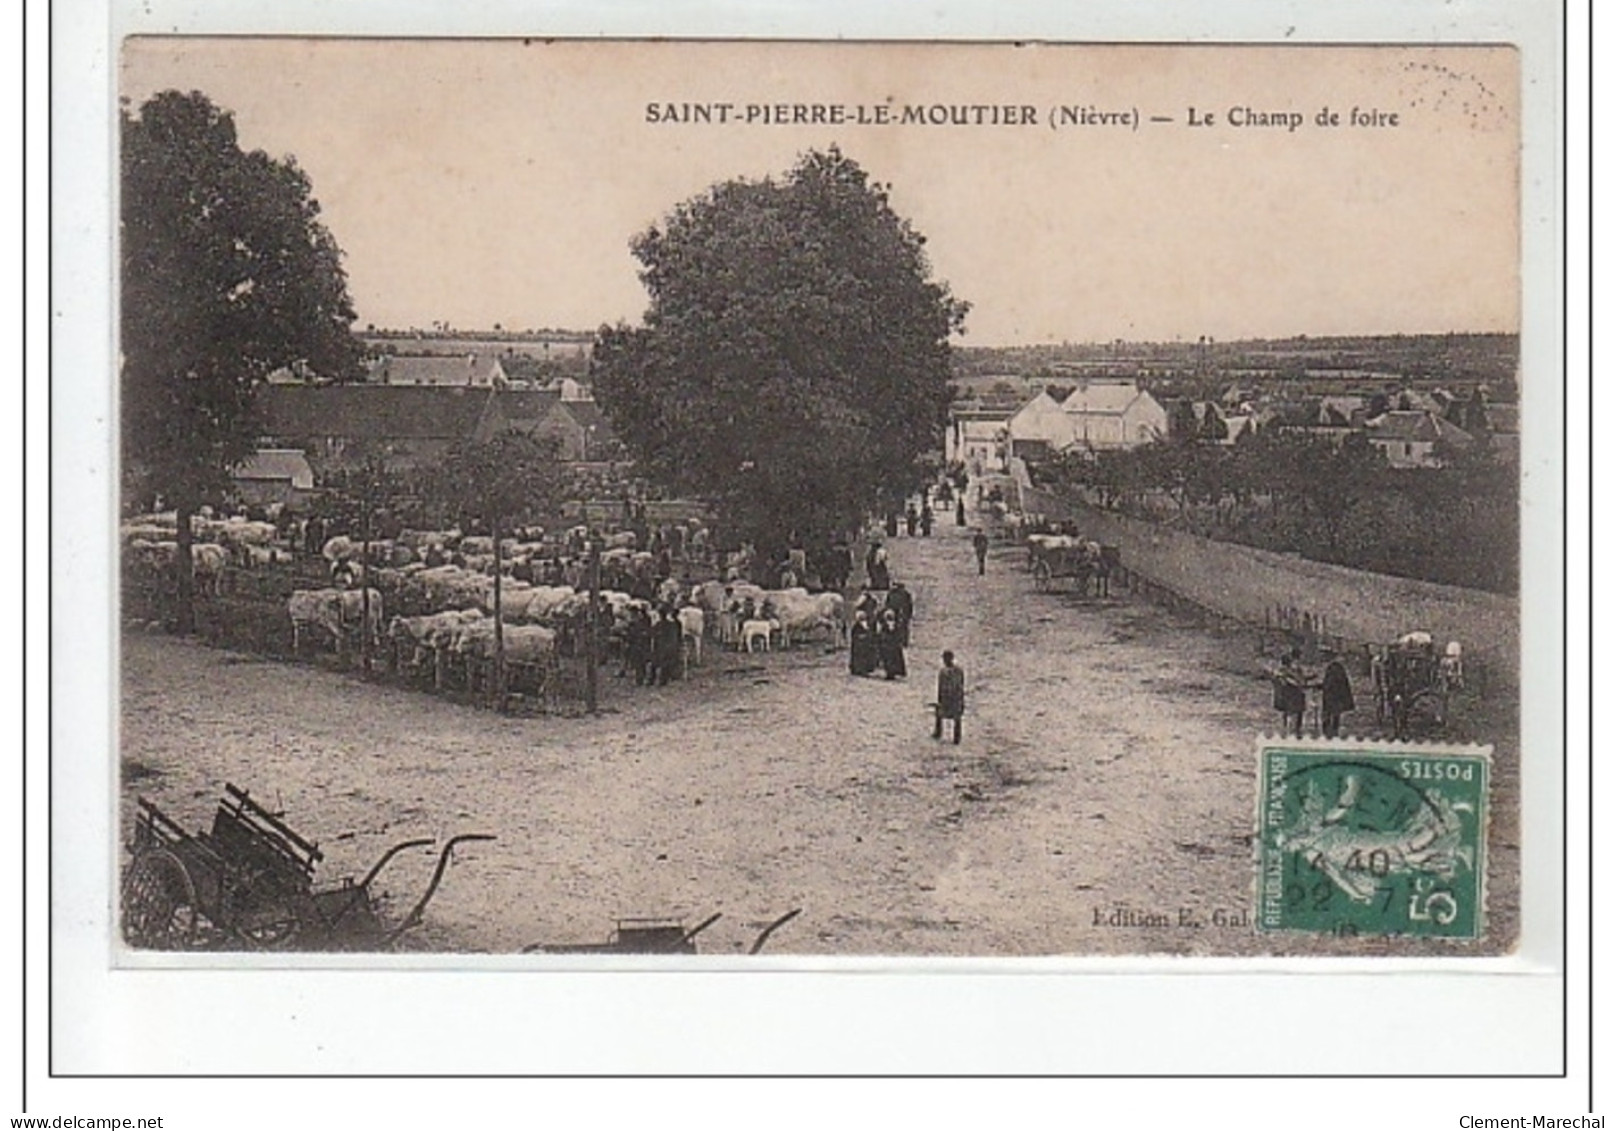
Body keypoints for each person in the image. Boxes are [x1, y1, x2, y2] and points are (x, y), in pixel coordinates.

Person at [1319, 649, 1356, 738]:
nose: (1322, 658)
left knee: (1329, 715)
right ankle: (1332, 732)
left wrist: (1320, 686)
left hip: (1333, 696)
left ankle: (1329, 734)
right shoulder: (1336, 666)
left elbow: (1330, 683)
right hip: (1335, 696)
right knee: (1335, 715)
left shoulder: (1333, 667)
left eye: (1324, 656)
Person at [1272, 649, 1308, 737]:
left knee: (1286, 715)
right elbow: (1297, 682)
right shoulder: (1286, 672)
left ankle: (1287, 730)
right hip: (1291, 697)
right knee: (1295, 714)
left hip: (1284, 697)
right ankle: (1293, 732)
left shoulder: (1280, 672)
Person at [933, 650, 965, 744]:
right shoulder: (958, 670)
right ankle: (954, 736)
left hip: (950, 697)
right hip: (953, 697)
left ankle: (942, 733)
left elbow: (942, 686)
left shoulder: (944, 672)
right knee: (954, 717)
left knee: (947, 715)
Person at [650, 605, 683, 686]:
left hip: (664, 647)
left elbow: (653, 634)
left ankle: (657, 679)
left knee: (658, 662)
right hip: (666, 647)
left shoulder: (663, 624)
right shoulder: (671, 625)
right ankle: (658, 679)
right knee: (658, 662)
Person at [624, 605, 653, 686]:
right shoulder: (641, 621)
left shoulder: (637, 622)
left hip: (638, 644)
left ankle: (639, 679)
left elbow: (633, 633)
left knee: (639, 662)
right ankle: (640, 678)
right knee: (640, 662)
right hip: (639, 643)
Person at [876, 609, 907, 680]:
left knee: (891, 660)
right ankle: (890, 672)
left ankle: (891, 673)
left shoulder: (893, 625)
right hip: (889, 646)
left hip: (890, 646)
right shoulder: (888, 625)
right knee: (889, 660)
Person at [849, 610, 879, 676]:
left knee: (866, 657)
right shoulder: (856, 625)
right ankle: (858, 670)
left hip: (866, 644)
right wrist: (860, 637)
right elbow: (854, 635)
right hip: (858, 645)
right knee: (859, 658)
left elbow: (870, 632)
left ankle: (865, 669)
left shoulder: (867, 624)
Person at [885, 580, 914, 648]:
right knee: (901, 627)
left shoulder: (892, 593)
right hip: (899, 613)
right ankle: (902, 641)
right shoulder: (905, 594)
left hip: (899, 613)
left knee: (899, 627)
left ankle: (899, 641)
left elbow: (887, 604)